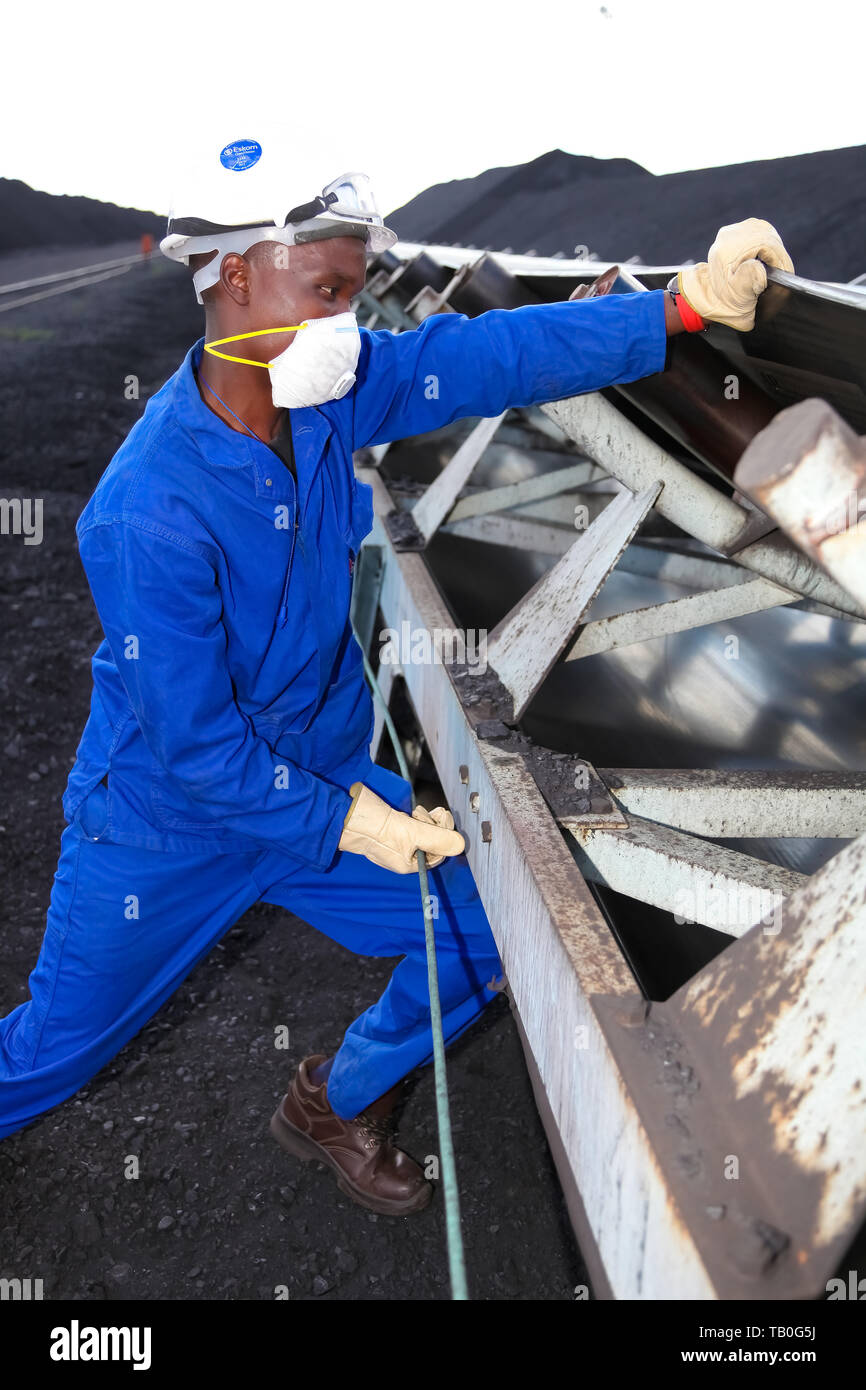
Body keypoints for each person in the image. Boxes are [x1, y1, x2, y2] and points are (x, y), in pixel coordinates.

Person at [0, 132, 793, 1216]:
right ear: (234, 276)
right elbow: (194, 748)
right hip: (167, 826)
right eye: (324, 290)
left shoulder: (323, 393)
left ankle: (338, 1100)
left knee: (486, 922)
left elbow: (487, 356)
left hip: (315, 774)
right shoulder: (146, 509)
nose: (345, 320)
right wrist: (352, 823)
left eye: (353, 290)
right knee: (52, 1052)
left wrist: (675, 310)